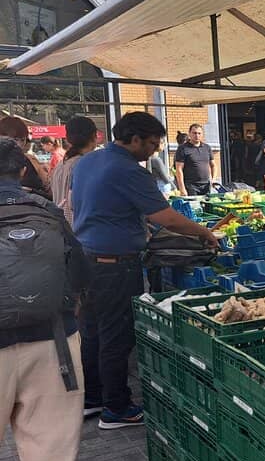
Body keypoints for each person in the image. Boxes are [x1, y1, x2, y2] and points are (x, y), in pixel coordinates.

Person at [73, 112, 219, 429]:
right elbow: (165, 217)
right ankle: (117, 408)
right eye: (152, 145)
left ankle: (93, 399)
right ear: (135, 139)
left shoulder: (86, 161)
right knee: (117, 335)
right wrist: (203, 232)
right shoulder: (128, 170)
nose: (153, 152)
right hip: (115, 265)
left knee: (93, 333)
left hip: (86, 259)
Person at [0, 136, 87, 461]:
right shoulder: (46, 210)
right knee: (49, 437)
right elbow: (80, 270)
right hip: (52, 339)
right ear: (20, 171)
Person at [50, 116, 99, 226]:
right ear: (94, 136)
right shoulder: (86, 164)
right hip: (79, 229)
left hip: (61, 227)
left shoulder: (60, 165)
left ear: (67, 139)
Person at [0, 117, 50, 199]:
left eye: (22, 140)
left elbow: (49, 189)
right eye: (14, 139)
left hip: (32, 207)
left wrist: (32, 191)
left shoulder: (31, 159)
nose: (19, 144)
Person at [174, 123, 217, 195]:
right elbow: (179, 169)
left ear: (202, 134)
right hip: (191, 186)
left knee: (206, 205)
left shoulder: (207, 148)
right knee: (194, 205)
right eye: (194, 133)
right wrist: (182, 188)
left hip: (206, 185)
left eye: (199, 133)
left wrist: (214, 179)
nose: (197, 135)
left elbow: (213, 165)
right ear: (189, 134)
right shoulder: (182, 148)